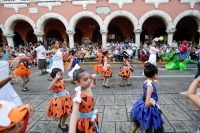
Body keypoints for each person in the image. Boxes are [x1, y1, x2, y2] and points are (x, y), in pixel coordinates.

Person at [131, 62, 164, 133]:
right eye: (157, 73)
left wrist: (154, 81)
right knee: (153, 125)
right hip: (148, 108)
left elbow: (149, 81)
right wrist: (153, 102)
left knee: (137, 123)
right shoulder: (150, 87)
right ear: (155, 75)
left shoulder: (146, 81)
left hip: (141, 102)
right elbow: (146, 104)